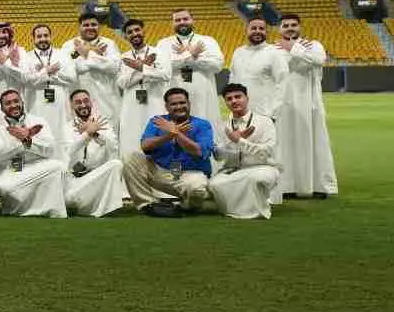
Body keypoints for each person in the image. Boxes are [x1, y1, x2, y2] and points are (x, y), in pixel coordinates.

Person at [123, 87, 216, 218]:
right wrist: (169, 135)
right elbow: (145, 146)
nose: (179, 107)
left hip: (190, 174)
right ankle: (147, 205)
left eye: (182, 103)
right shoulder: (158, 121)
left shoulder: (202, 124)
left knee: (196, 189)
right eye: (174, 104)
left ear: (189, 104)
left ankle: (186, 207)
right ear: (166, 106)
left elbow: (198, 151)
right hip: (162, 171)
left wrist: (176, 133)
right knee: (131, 158)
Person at [274, 14, 338, 199]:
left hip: (310, 105)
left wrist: (293, 48)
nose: (290, 28)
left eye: (294, 25)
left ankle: (320, 186)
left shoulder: (314, 45)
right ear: (279, 29)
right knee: (285, 144)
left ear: (300, 27)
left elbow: (318, 60)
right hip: (283, 105)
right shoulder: (273, 49)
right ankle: (287, 186)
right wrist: (299, 53)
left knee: (316, 143)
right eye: (285, 25)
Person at [0, 89, 68, 218]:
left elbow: (51, 148)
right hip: (12, 169)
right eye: (8, 103)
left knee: (59, 166)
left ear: (22, 102)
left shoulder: (38, 120)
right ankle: (21, 210)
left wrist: (28, 141)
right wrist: (21, 141)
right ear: (2, 108)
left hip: (36, 165)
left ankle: (51, 210)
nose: (13, 105)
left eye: (16, 101)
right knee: (5, 188)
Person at [209, 83, 280, 219]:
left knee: (257, 178)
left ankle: (256, 210)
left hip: (263, 167)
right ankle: (233, 209)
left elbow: (266, 151)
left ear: (247, 98)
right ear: (225, 103)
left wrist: (241, 142)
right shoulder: (223, 125)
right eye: (229, 99)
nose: (234, 101)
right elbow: (218, 156)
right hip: (233, 170)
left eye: (238, 97)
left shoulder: (265, 122)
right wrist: (231, 142)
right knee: (214, 184)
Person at [63, 89, 124, 218]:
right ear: (72, 106)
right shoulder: (66, 127)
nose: (83, 105)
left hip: (96, 177)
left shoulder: (103, 123)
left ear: (92, 103)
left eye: (86, 101)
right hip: (75, 180)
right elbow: (67, 152)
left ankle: (104, 209)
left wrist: (96, 133)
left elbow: (113, 148)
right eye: (78, 102)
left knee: (116, 164)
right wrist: (86, 134)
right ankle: (85, 206)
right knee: (70, 200)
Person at [157, 9, 225, 122]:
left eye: (185, 19)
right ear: (172, 23)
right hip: (175, 95)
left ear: (192, 21)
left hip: (204, 94)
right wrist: (190, 54)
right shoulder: (164, 43)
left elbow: (217, 65)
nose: (182, 22)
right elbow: (162, 67)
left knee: (205, 124)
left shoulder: (207, 41)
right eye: (177, 20)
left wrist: (193, 58)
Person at [115, 18, 170, 158]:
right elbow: (122, 83)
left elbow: (165, 74)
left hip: (155, 101)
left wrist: (140, 67)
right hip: (131, 105)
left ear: (143, 31)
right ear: (126, 36)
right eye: (130, 32)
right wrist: (144, 69)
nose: (134, 34)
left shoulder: (159, 52)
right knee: (131, 139)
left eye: (137, 30)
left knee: (157, 135)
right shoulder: (124, 57)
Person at [20, 23, 75, 162]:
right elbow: (27, 80)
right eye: (39, 36)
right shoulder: (26, 57)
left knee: (61, 134)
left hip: (60, 105)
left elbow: (71, 77)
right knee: (39, 134)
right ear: (33, 38)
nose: (43, 39)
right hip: (36, 104)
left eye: (46, 35)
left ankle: (63, 167)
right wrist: (49, 71)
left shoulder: (62, 54)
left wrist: (44, 73)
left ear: (51, 37)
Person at [60, 13, 121, 122]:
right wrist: (96, 55)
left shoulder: (109, 44)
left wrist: (87, 53)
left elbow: (114, 67)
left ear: (99, 27)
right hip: (78, 99)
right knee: (80, 135)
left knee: (107, 134)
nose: (90, 27)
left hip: (105, 99)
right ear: (79, 27)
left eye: (94, 24)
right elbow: (69, 69)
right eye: (86, 25)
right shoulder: (68, 46)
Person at [229, 17, 287, 119]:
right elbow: (232, 80)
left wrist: (273, 112)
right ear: (246, 31)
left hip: (266, 114)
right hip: (240, 113)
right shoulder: (238, 52)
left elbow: (283, 83)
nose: (257, 31)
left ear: (266, 32)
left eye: (261, 29)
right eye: (253, 28)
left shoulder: (275, 52)